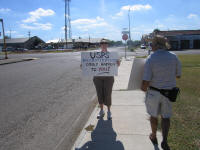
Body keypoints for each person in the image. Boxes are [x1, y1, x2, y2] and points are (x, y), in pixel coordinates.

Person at [141, 36, 181, 150]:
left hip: (154, 92)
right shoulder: (174, 57)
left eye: (151, 44)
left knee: (153, 116)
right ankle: (165, 141)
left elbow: (146, 80)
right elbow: (178, 75)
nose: (151, 46)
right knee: (166, 117)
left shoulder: (151, 58)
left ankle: (154, 136)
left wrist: (143, 88)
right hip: (169, 93)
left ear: (155, 45)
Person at [93, 39, 120, 120]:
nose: (104, 45)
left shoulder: (112, 55)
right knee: (99, 94)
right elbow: (89, 65)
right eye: (102, 43)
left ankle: (108, 111)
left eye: (105, 43)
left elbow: (117, 65)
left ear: (107, 45)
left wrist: (118, 63)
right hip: (98, 78)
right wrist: (84, 66)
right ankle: (101, 111)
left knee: (108, 94)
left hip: (109, 78)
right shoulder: (95, 55)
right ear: (100, 45)